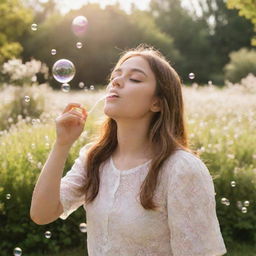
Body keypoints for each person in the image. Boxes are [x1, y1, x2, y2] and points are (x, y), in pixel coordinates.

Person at [30, 44, 227, 256]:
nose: (116, 81)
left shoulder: (181, 169)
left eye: (135, 79)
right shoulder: (94, 158)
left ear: (157, 103)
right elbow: (42, 214)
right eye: (115, 76)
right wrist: (62, 144)